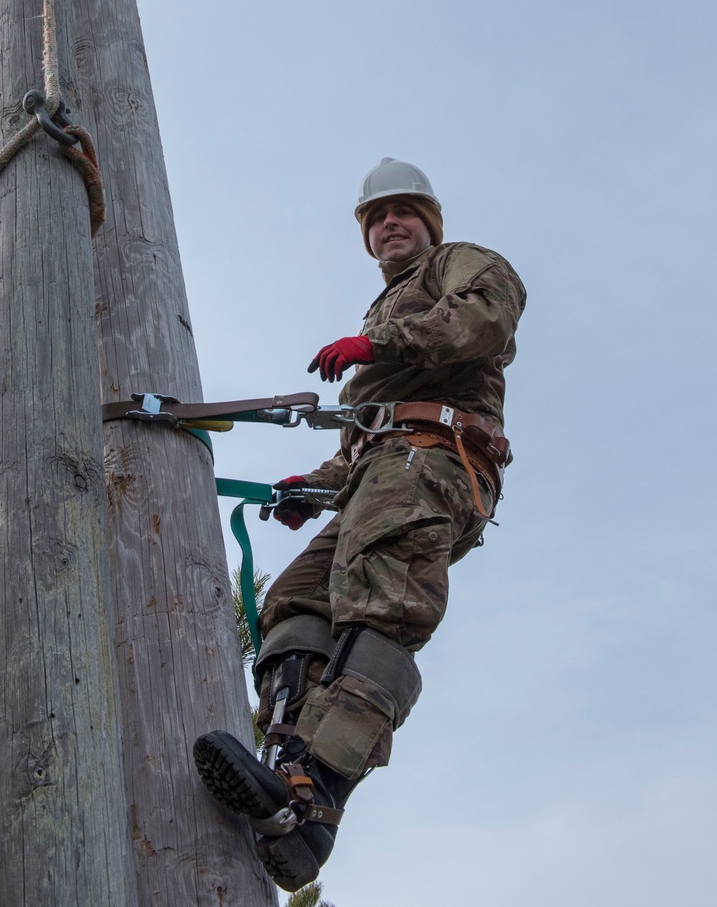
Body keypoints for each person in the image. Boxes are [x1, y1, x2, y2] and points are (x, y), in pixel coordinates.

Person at [194, 158, 526, 892]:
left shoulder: (458, 267)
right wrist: (309, 488)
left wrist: (381, 346)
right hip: (383, 466)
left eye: (403, 211)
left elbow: (490, 313)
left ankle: (318, 789)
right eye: (377, 217)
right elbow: (363, 443)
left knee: (380, 605)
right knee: (296, 602)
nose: (390, 224)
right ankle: (287, 769)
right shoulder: (386, 312)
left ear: (430, 221)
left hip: (435, 461)